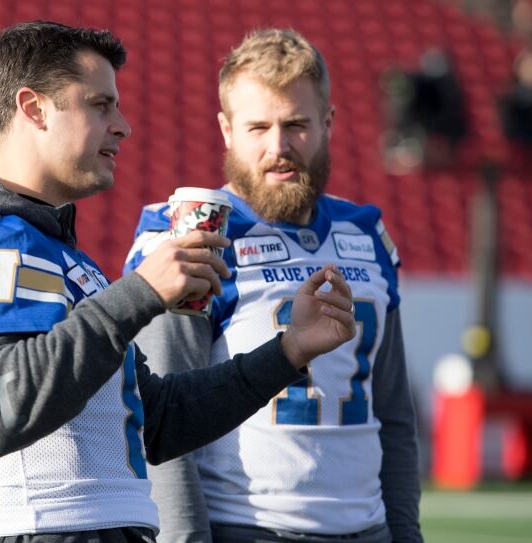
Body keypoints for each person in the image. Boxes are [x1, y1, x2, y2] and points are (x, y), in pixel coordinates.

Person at [0, 21, 357, 543]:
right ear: (33, 108)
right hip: (34, 529)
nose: (123, 125)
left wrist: (289, 350)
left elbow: (153, 420)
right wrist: (139, 293)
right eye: (99, 104)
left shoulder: (51, 248)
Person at [125, 29, 422, 543]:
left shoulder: (367, 235)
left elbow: (393, 415)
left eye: (297, 125)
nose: (278, 147)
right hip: (249, 526)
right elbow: (162, 424)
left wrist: (405, 533)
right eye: (258, 126)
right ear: (226, 130)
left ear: (328, 123)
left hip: (369, 527)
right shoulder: (195, 233)